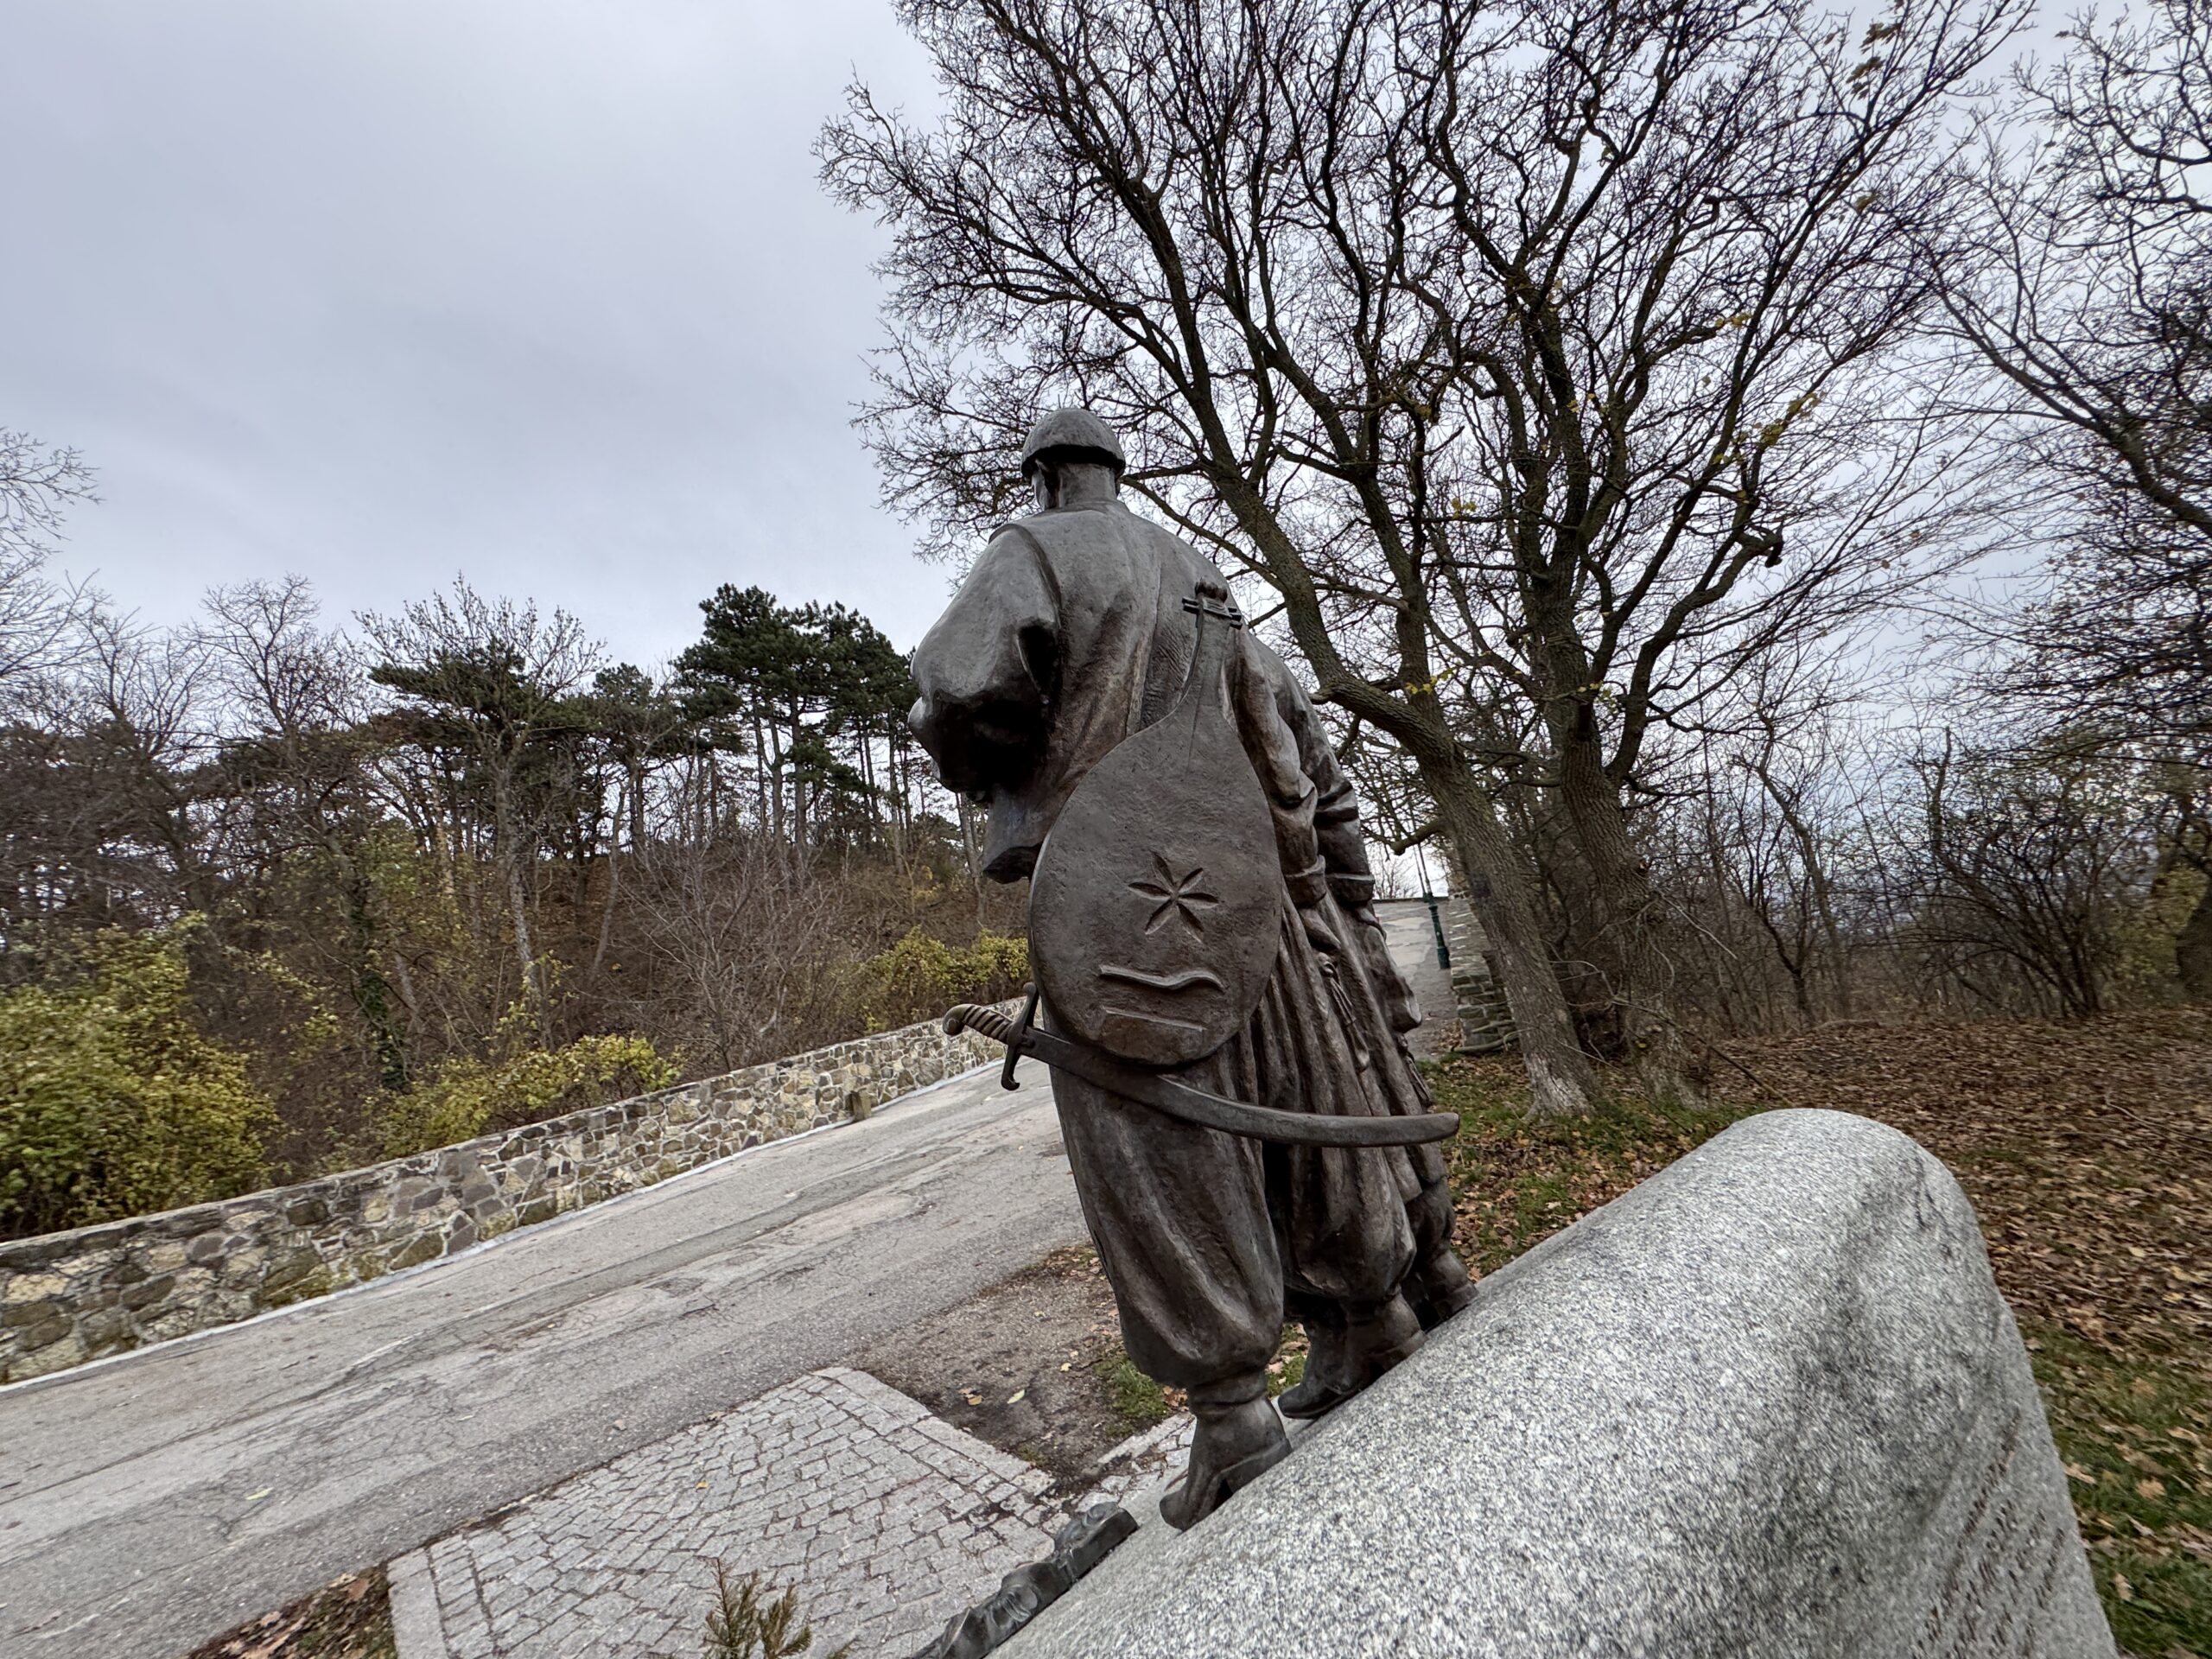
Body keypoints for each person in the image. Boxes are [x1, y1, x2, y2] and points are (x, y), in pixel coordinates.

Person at [908, 409, 1474, 1528]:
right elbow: (1287, 731)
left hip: (1117, 900)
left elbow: (962, 689)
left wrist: (989, 765)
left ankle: (1232, 1416)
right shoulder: (1200, 574)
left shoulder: (1034, 551)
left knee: (1159, 1151)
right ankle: (1369, 1321)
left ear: (1046, 477)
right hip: (1244, 891)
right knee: (1299, 1102)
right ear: (1117, 473)